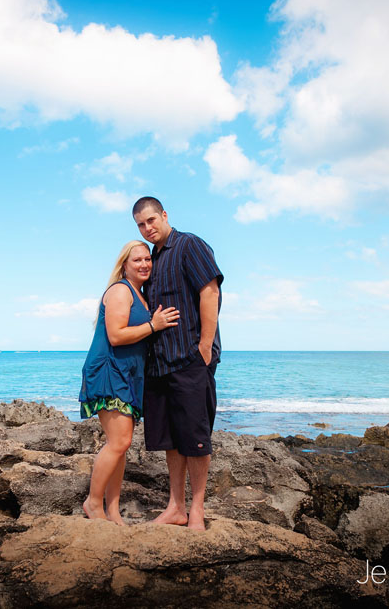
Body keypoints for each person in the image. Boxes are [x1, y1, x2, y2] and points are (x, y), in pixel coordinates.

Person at [132, 197, 223, 531]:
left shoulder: (189, 245)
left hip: (189, 360)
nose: (147, 228)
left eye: (151, 220)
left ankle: (197, 510)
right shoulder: (152, 259)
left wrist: (204, 346)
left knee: (196, 439)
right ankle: (176, 507)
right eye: (141, 225)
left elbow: (209, 292)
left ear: (164, 215)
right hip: (160, 363)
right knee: (171, 439)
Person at [80, 240, 180, 525]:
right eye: (137, 260)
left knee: (120, 446)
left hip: (129, 375)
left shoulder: (140, 293)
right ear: (125, 264)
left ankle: (112, 510)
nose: (144, 264)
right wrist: (153, 325)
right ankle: (93, 503)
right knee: (119, 442)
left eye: (148, 259)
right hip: (110, 372)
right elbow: (116, 336)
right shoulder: (121, 291)